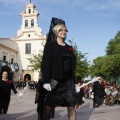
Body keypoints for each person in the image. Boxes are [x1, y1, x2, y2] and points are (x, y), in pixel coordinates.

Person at [41, 17, 79, 120]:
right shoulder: (50, 45)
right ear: (56, 31)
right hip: (56, 80)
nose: (64, 32)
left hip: (68, 82)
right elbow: (46, 64)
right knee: (50, 104)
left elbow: (72, 66)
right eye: (61, 30)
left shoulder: (69, 48)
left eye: (65, 30)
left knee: (71, 104)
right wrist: (46, 81)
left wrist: (75, 82)